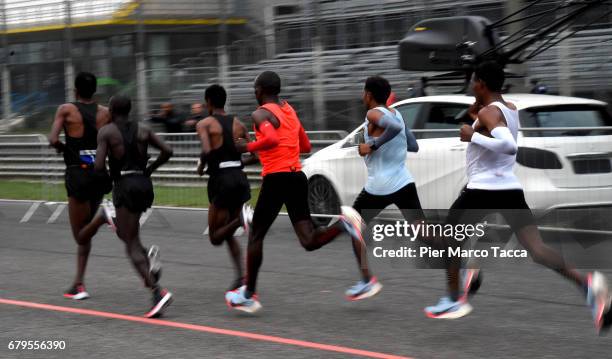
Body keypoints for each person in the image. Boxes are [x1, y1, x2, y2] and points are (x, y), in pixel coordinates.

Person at [424, 61, 612, 334]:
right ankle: (587, 284)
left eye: (474, 82)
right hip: (509, 189)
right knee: (537, 249)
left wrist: (471, 135)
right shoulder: (509, 109)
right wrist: (476, 118)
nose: (471, 86)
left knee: (448, 241)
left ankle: (455, 297)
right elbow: (491, 120)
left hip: (481, 190)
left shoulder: (490, 111)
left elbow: (508, 145)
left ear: (482, 84)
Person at [224, 71, 370, 313]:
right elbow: (305, 145)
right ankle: (343, 224)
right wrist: (278, 147)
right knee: (308, 240)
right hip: (296, 176)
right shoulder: (289, 110)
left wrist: (246, 146)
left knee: (256, 236)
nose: (254, 93)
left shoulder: (260, 113)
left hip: (277, 179)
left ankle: (248, 294)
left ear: (261, 90)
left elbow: (270, 139)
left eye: (255, 89)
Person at [82, 95, 174, 318]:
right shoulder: (143, 128)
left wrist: (104, 180)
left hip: (125, 184)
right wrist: (151, 169)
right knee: (128, 233)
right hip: (144, 183)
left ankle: (157, 292)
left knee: (129, 243)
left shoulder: (107, 132)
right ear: (130, 109)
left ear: (112, 110)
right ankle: (147, 256)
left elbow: (98, 165)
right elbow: (168, 150)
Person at [349, 76, 422, 298]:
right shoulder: (396, 113)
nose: (363, 96)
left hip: (379, 186)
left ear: (369, 95)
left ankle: (366, 280)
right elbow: (413, 145)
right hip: (404, 182)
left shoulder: (372, 113)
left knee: (353, 224)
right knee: (424, 233)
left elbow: (394, 128)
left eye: (364, 92)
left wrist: (372, 145)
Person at [48, 72, 112, 300]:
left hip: (78, 173)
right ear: (94, 90)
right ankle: (79, 284)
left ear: (75, 90)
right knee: (87, 232)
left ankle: (104, 216)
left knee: (80, 235)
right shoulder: (105, 112)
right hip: (98, 173)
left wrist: (67, 151)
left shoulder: (66, 110)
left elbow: (53, 139)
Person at [196, 85, 255, 291]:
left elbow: (206, 150)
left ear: (209, 102)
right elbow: (254, 154)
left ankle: (241, 219)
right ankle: (241, 277)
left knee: (215, 237)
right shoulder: (238, 124)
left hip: (221, 180)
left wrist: (201, 167)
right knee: (228, 234)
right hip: (239, 178)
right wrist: (237, 165)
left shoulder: (205, 123)